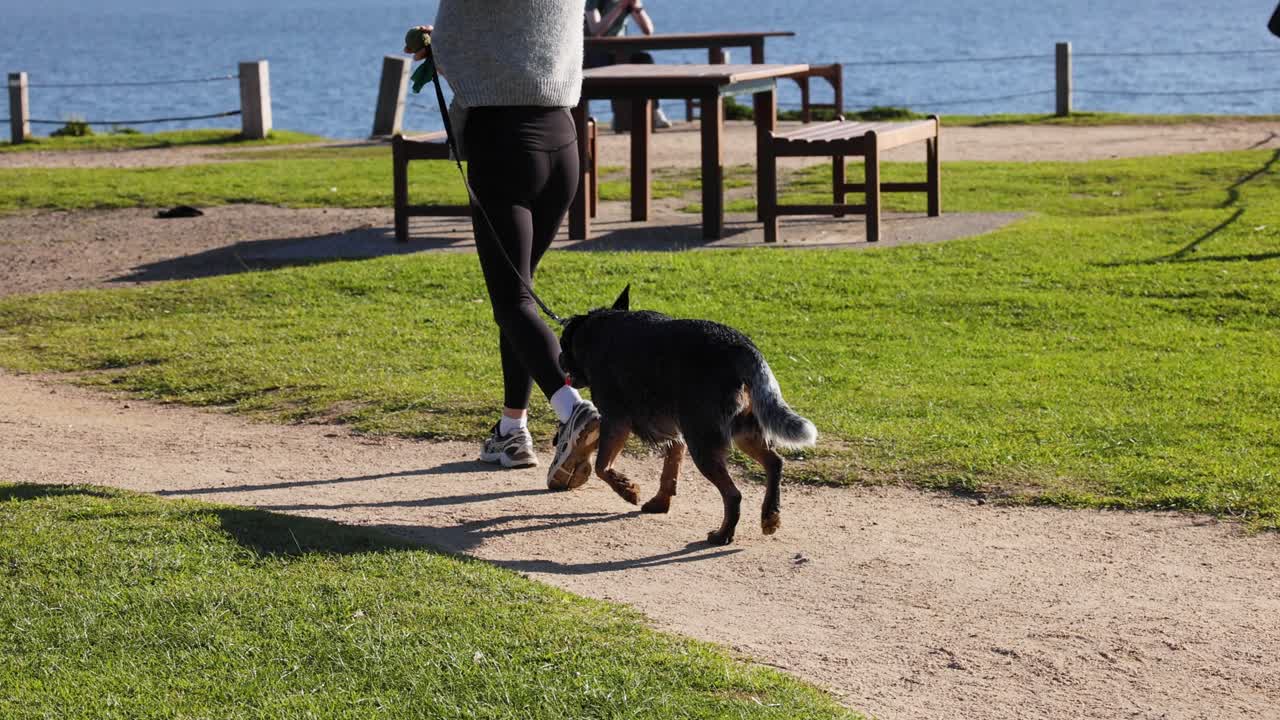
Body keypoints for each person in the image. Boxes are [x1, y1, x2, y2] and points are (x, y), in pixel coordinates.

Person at [407, 2, 600, 490]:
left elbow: (451, 46)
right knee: (520, 297)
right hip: (563, 139)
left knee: (512, 301)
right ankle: (512, 431)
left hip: (504, 143)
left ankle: (572, 409)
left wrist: (429, 44)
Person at [584, 0, 674, 131]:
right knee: (618, 64)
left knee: (645, 60)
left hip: (621, 52)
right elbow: (596, 31)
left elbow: (648, 30)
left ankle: (655, 110)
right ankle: (620, 116)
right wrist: (619, 8)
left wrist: (637, 8)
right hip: (597, 54)